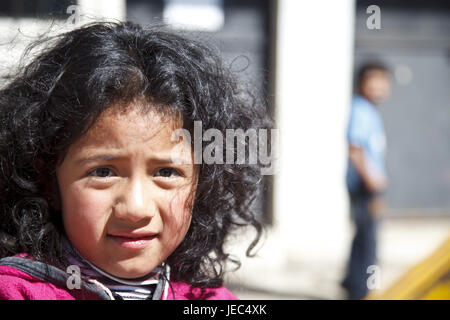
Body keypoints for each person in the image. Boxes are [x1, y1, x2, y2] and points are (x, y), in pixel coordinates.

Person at [0, 21, 270, 300]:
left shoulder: (209, 299)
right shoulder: (14, 292)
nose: (136, 209)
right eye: (103, 172)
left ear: (202, 184)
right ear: (48, 183)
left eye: (167, 171)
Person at [342, 62, 392, 300]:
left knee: (362, 235)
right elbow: (355, 149)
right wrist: (373, 183)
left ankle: (352, 283)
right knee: (368, 239)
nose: (378, 88)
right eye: (372, 83)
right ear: (361, 83)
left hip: (367, 187)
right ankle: (360, 291)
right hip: (365, 188)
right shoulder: (361, 109)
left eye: (383, 83)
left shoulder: (369, 110)